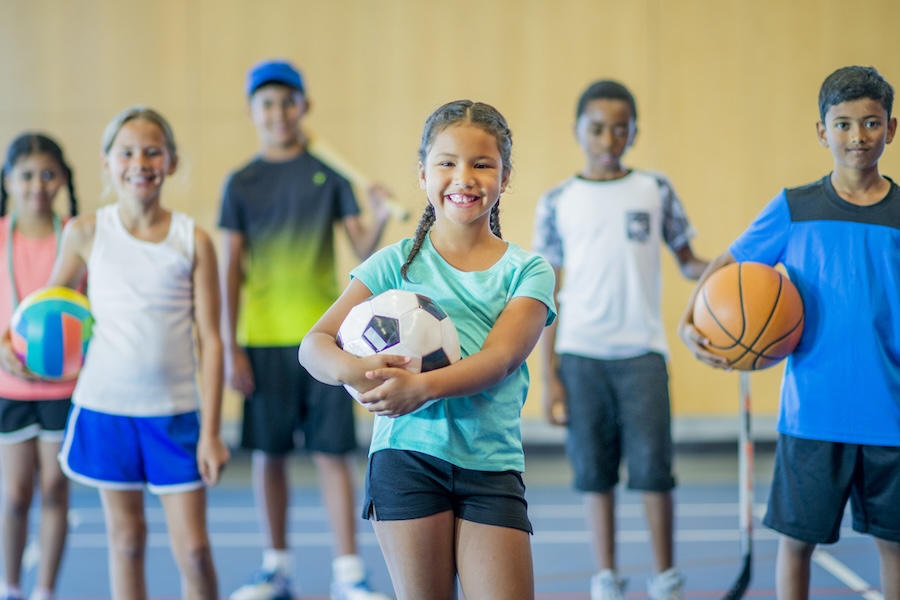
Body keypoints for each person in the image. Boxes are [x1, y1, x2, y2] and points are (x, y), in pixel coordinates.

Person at [299, 99, 557, 600]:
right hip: (406, 459)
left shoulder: (528, 271)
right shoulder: (391, 264)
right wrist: (355, 370)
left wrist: (421, 388)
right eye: (447, 162)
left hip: (490, 464)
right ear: (422, 174)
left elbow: (500, 360)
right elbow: (314, 345)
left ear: (504, 179)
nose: (464, 177)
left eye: (482, 164)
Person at [679, 65, 900, 599]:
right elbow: (728, 264)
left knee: (894, 546)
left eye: (871, 124)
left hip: (892, 413)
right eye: (843, 124)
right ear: (822, 132)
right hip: (813, 412)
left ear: (891, 129)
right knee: (796, 544)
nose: (857, 137)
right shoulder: (794, 208)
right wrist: (691, 321)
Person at [6, 107, 230, 599]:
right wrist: (10, 340)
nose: (140, 161)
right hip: (105, 409)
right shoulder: (86, 231)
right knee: (126, 541)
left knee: (193, 549)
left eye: (153, 151)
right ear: (107, 164)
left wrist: (211, 431)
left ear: (171, 162)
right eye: (126, 151)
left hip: (174, 415)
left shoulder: (192, 240)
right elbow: (45, 304)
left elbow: (211, 341)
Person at [220, 59, 393, 600]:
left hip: (327, 342)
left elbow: (363, 250)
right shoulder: (241, 183)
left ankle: (349, 572)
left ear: (304, 108)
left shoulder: (331, 176)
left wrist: (380, 213)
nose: (278, 113)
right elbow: (230, 270)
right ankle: (276, 567)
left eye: (287, 102)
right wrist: (229, 347)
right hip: (264, 341)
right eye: (266, 104)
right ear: (254, 112)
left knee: (332, 454)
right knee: (269, 454)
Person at [532, 80, 708, 600]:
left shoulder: (655, 189)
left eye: (620, 128)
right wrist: (550, 380)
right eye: (597, 128)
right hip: (580, 357)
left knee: (655, 472)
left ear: (633, 131)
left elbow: (689, 260)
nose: (608, 138)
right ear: (577, 131)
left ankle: (665, 577)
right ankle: (606, 576)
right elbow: (548, 294)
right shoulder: (557, 201)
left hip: (642, 354)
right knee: (594, 475)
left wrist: (735, 268)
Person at [0, 133, 79, 600]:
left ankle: (44, 590)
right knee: (15, 494)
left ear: (64, 179)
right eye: (27, 174)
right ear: (9, 180)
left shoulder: (76, 235)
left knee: (54, 489)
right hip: (10, 387)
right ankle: (10, 587)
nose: (38, 184)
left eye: (48, 174)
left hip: (64, 387)